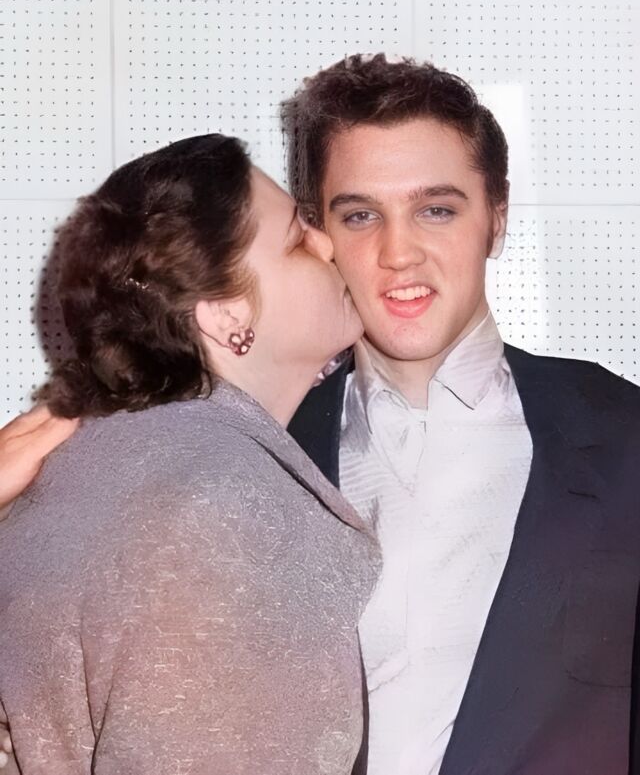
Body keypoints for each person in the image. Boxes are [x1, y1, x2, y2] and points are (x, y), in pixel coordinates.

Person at [2, 54, 640, 774]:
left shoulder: (625, 437)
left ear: (496, 217)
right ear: (320, 231)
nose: (397, 253)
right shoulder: (226, 462)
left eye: (436, 209)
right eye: (359, 215)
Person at [0, 133, 379, 774]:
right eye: (297, 240)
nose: (329, 245)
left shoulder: (83, 469)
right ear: (226, 314)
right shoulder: (220, 507)